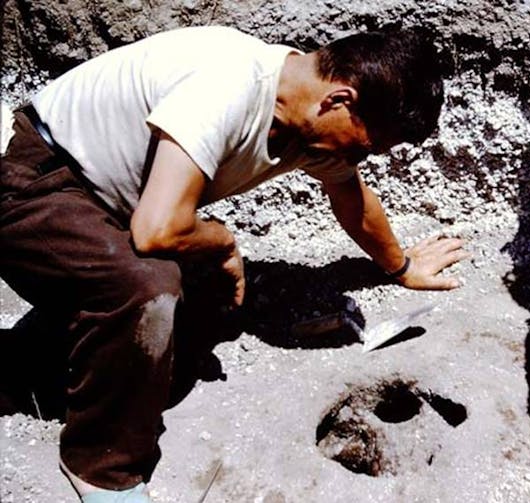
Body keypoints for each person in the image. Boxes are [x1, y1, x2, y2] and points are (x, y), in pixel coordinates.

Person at [0, 25, 468, 502]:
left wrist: (401, 267)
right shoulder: (229, 85)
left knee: (208, 298)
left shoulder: (307, 119)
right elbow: (157, 230)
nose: (357, 158)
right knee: (150, 284)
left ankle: (54, 371)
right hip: (30, 181)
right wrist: (223, 243)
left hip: (103, 204)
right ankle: (101, 467)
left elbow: (352, 199)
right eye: (363, 146)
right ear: (339, 100)